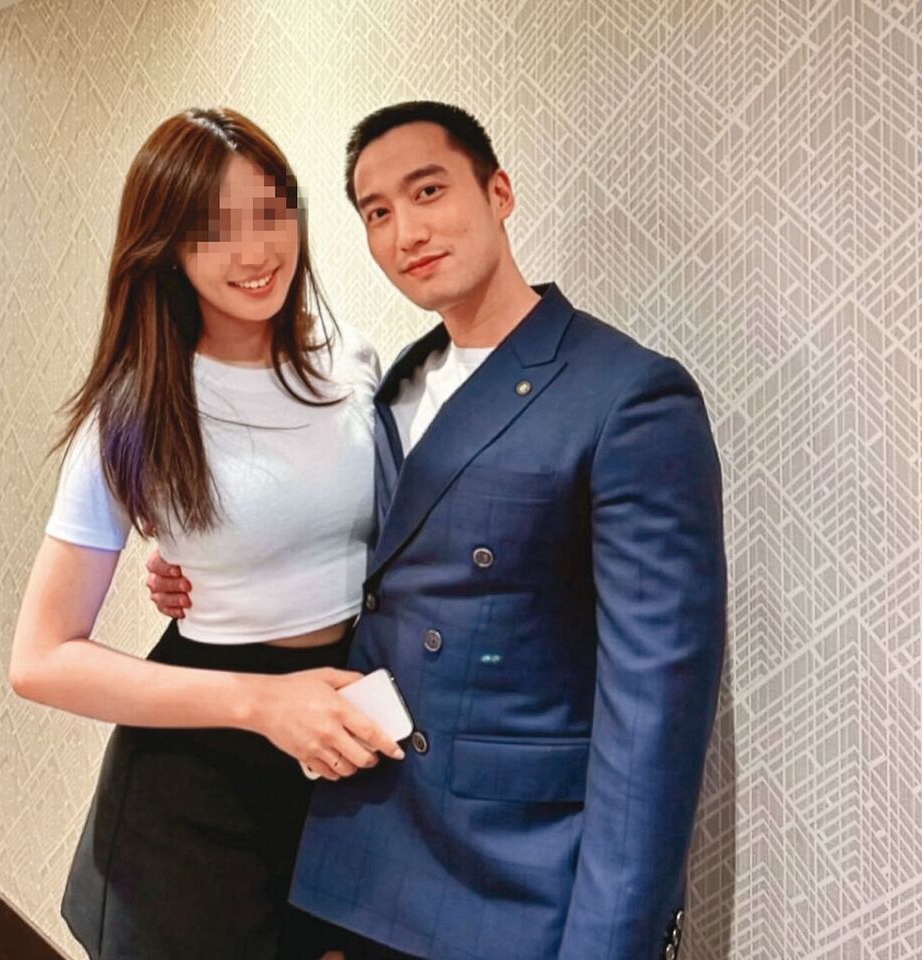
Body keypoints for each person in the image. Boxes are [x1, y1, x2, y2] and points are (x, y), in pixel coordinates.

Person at [146, 101, 727, 960]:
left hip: (514, 883)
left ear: (499, 192)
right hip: (359, 852)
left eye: (428, 191)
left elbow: (653, 716)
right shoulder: (391, 386)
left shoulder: (625, 397)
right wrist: (204, 564)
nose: (406, 232)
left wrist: (614, 942)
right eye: (377, 212)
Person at [8, 106, 404, 960]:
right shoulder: (136, 411)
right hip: (200, 783)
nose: (255, 252)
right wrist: (261, 702)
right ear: (167, 249)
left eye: (269, 214)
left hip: (343, 745)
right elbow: (39, 659)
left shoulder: (352, 361)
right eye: (214, 230)